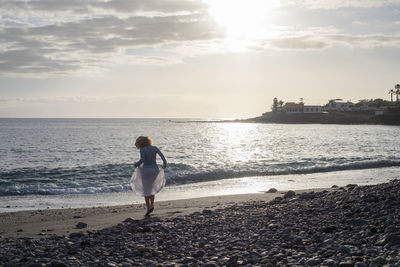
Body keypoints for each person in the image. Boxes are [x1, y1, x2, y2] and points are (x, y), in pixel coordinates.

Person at [133, 136, 167, 216]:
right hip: (155, 170)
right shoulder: (154, 148)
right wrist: (164, 165)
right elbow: (162, 157)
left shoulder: (142, 150)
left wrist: (136, 164)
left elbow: (143, 160)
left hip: (146, 170)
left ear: (140, 143)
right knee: (151, 188)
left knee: (146, 189)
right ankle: (152, 205)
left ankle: (148, 208)